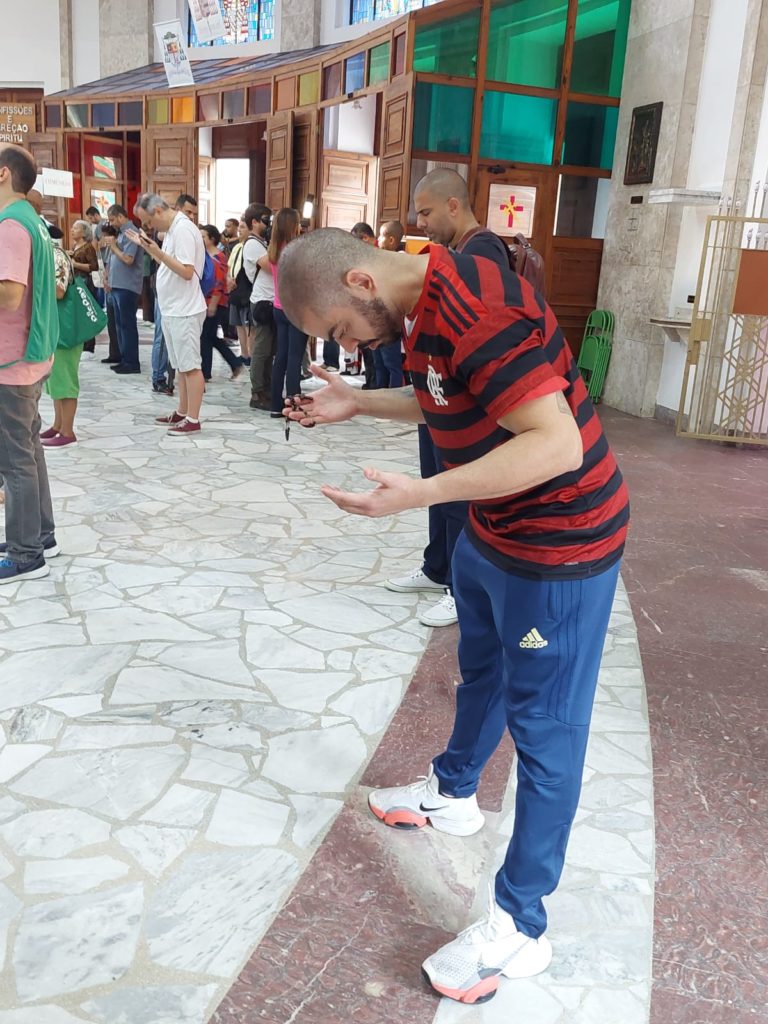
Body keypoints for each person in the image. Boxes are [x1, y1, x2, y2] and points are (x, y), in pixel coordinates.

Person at [277, 228, 630, 1005]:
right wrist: (357, 403)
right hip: (495, 530)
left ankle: (521, 926)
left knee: (546, 735)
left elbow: (556, 443)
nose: (345, 345)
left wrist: (424, 494)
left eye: (338, 331)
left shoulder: (476, 310)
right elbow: (445, 395)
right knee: (481, 666)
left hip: (561, 542)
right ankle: (456, 791)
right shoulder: (420, 306)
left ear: (362, 281)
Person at [388, 169, 514, 628]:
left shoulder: (482, 249)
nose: (420, 222)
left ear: (454, 206)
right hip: (438, 391)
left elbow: (472, 323)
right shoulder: (456, 251)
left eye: (426, 212)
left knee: (461, 494)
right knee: (436, 485)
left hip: (465, 400)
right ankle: (437, 566)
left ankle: (463, 590)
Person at [0, 144, 59, 584]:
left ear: (3, 175)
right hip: (32, 354)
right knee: (30, 448)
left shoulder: (10, 226)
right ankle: (40, 532)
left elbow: (10, 293)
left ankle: (25, 552)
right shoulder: (33, 221)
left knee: (14, 456)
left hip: (11, 359)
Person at [136, 193, 207, 436]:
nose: (148, 227)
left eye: (148, 221)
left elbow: (187, 272)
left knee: (190, 366)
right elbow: (169, 264)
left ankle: (193, 418)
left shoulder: (184, 230)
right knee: (179, 365)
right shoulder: (173, 230)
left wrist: (158, 251)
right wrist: (151, 248)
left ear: (157, 211)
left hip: (185, 309)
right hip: (173, 308)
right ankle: (182, 410)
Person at [258, 208, 302, 418]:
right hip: (296, 309)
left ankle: (276, 405)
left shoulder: (273, 250)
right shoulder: (296, 250)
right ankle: (293, 404)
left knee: (281, 357)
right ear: (293, 225)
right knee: (294, 358)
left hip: (279, 308)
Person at [41, 245, 82, 448]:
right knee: (56, 380)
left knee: (65, 379)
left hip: (64, 328)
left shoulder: (55, 255)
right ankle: (58, 425)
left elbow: (59, 290)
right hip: (56, 326)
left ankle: (68, 430)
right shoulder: (49, 253)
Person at [199, 223, 243, 382]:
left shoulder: (218, 257)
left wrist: (213, 303)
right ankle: (233, 364)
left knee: (206, 337)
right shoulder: (204, 255)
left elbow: (219, 283)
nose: (200, 238)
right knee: (209, 337)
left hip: (215, 302)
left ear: (211, 239)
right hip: (204, 301)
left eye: (203, 236)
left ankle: (207, 371)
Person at [105, 203, 143, 374]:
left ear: (121, 216)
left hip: (127, 286)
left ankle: (132, 362)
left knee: (127, 325)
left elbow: (128, 259)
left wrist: (113, 247)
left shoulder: (131, 233)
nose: (111, 223)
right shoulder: (120, 234)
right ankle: (123, 358)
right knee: (119, 324)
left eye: (113, 219)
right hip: (117, 285)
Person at [243, 203, 274, 409]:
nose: (268, 225)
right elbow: (272, 266)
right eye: (265, 220)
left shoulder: (262, 242)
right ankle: (257, 393)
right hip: (262, 301)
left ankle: (267, 389)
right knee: (262, 350)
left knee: (270, 350)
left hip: (269, 300)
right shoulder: (253, 244)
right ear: (254, 222)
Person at [67, 219, 99, 355]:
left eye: (76, 228)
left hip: (85, 283)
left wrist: (75, 264)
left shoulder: (88, 247)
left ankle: (88, 346)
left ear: (84, 232)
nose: (72, 230)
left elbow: (94, 266)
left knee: (86, 312)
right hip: (75, 282)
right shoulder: (75, 246)